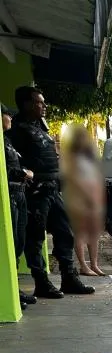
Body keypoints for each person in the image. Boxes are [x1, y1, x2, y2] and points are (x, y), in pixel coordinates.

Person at [9, 86, 94, 298]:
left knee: (65, 232)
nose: (44, 106)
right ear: (27, 104)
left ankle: (69, 278)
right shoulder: (17, 129)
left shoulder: (41, 126)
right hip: (35, 192)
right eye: (39, 102)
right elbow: (16, 162)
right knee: (35, 238)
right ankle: (41, 282)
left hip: (53, 188)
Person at [61, 124, 106, 276]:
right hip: (78, 198)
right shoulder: (70, 157)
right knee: (80, 233)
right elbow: (73, 178)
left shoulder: (89, 156)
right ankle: (83, 265)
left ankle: (94, 264)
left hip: (92, 198)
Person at [2, 103, 35, 309]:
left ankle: (15, 289)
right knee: (12, 243)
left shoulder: (6, 140)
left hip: (19, 193)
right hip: (10, 193)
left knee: (19, 243)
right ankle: (11, 291)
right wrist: (23, 173)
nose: (11, 118)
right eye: (7, 115)